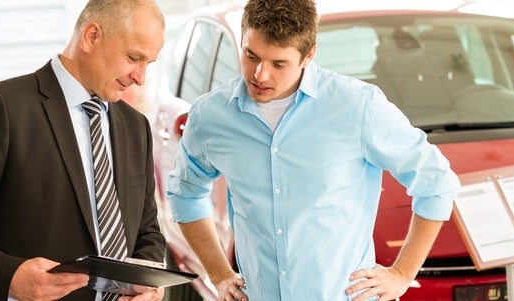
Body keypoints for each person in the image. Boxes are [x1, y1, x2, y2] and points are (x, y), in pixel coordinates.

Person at [164, 0, 460, 300]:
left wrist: (402, 273)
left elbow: (435, 182)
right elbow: (185, 194)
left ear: (309, 55)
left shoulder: (358, 107)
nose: (260, 75)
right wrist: (219, 274)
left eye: (279, 64)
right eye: (251, 55)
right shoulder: (212, 116)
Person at [0, 1, 168, 300]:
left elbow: (148, 231)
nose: (139, 77)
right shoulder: (3, 107)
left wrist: (146, 285)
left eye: (147, 64)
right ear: (91, 36)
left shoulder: (135, 126)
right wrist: (8, 276)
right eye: (133, 58)